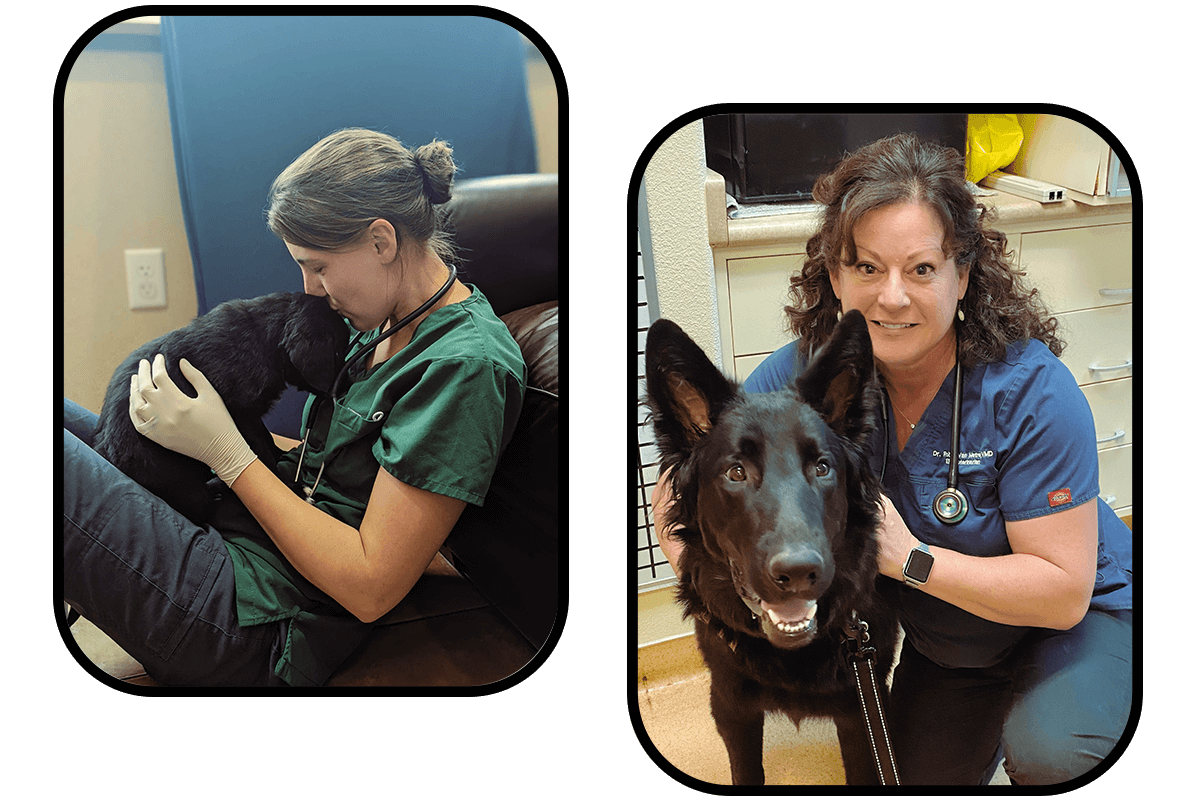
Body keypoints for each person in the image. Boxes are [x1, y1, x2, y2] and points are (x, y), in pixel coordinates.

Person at [652, 133, 1132, 784]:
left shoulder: (1033, 395)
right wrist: (720, 578)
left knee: (1055, 750)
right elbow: (690, 474)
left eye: (922, 269)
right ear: (834, 274)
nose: (893, 297)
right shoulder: (811, 379)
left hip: (1075, 620)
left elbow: (1061, 595)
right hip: (952, 648)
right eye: (867, 267)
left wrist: (906, 557)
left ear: (963, 274)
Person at [64, 128, 525, 686]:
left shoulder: (464, 367)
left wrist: (227, 452)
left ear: (381, 242)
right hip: (235, 535)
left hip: (254, 615)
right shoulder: (379, 322)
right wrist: (203, 433)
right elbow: (334, 469)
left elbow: (372, 586)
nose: (308, 288)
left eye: (319, 266)